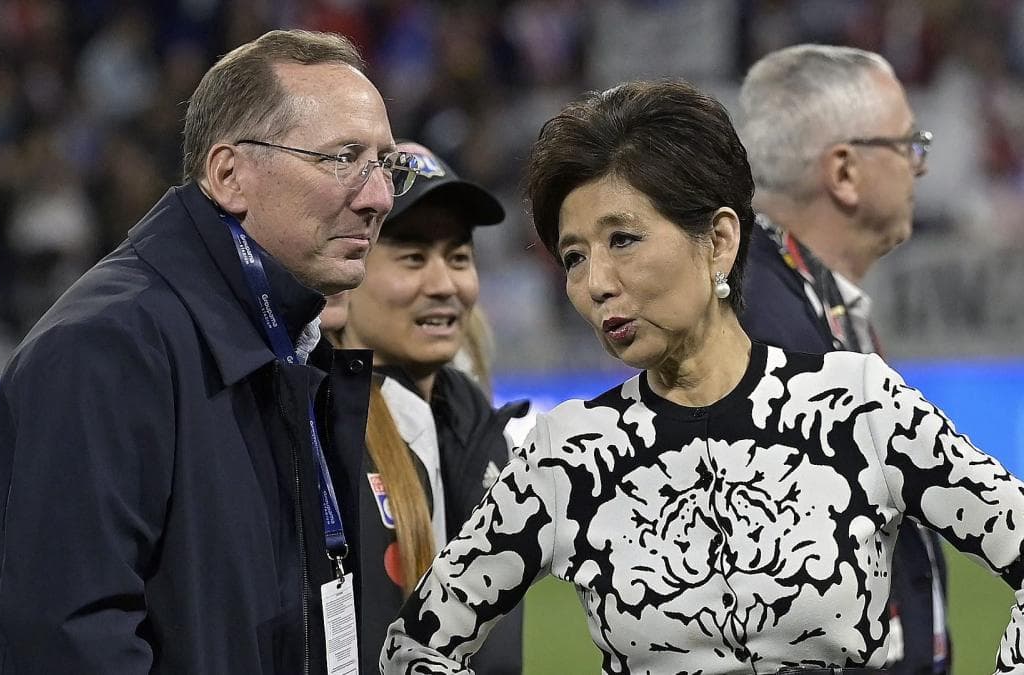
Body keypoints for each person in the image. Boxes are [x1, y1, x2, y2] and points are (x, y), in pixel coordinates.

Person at [382, 80, 1024, 673]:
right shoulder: (565, 455)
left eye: (623, 240)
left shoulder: (859, 407)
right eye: (574, 257)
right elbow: (414, 648)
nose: (596, 283)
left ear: (718, 241)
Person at [0, 29, 420, 674]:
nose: (378, 198)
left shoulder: (285, 340)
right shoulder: (109, 346)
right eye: (342, 159)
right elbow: (70, 642)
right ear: (229, 176)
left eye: (387, 165)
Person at [736, 44, 947, 674]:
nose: (920, 165)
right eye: (908, 142)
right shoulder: (762, 335)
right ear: (845, 173)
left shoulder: (804, 300)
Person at [328, 142, 526, 674]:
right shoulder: (316, 429)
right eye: (412, 257)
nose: (443, 285)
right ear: (349, 270)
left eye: (458, 257)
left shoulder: (473, 422)